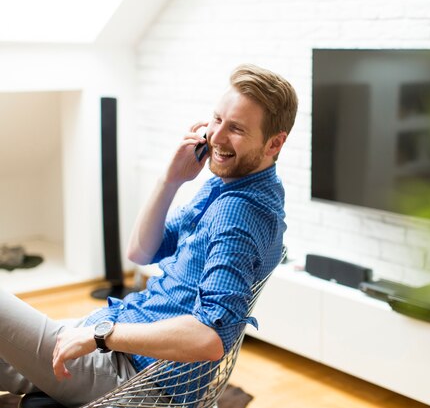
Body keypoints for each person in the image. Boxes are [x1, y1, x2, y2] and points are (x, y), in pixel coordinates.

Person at [0, 64, 298, 406]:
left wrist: (102, 337)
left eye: (236, 129)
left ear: (275, 143)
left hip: (131, 375)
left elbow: (209, 337)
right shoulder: (230, 187)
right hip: (121, 344)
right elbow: (141, 252)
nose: (216, 137)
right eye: (216, 119)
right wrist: (170, 181)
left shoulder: (239, 214)